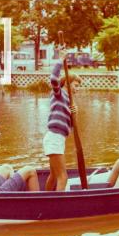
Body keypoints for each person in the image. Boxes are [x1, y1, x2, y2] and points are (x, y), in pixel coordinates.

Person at [43, 49, 82, 191]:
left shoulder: (69, 102)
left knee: (54, 176)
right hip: (54, 137)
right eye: (76, 85)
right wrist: (60, 60)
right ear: (67, 83)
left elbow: (70, 129)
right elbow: (53, 79)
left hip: (59, 139)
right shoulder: (59, 94)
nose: (78, 89)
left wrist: (74, 114)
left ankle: (46, 200)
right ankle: (56, 205)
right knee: (63, 177)